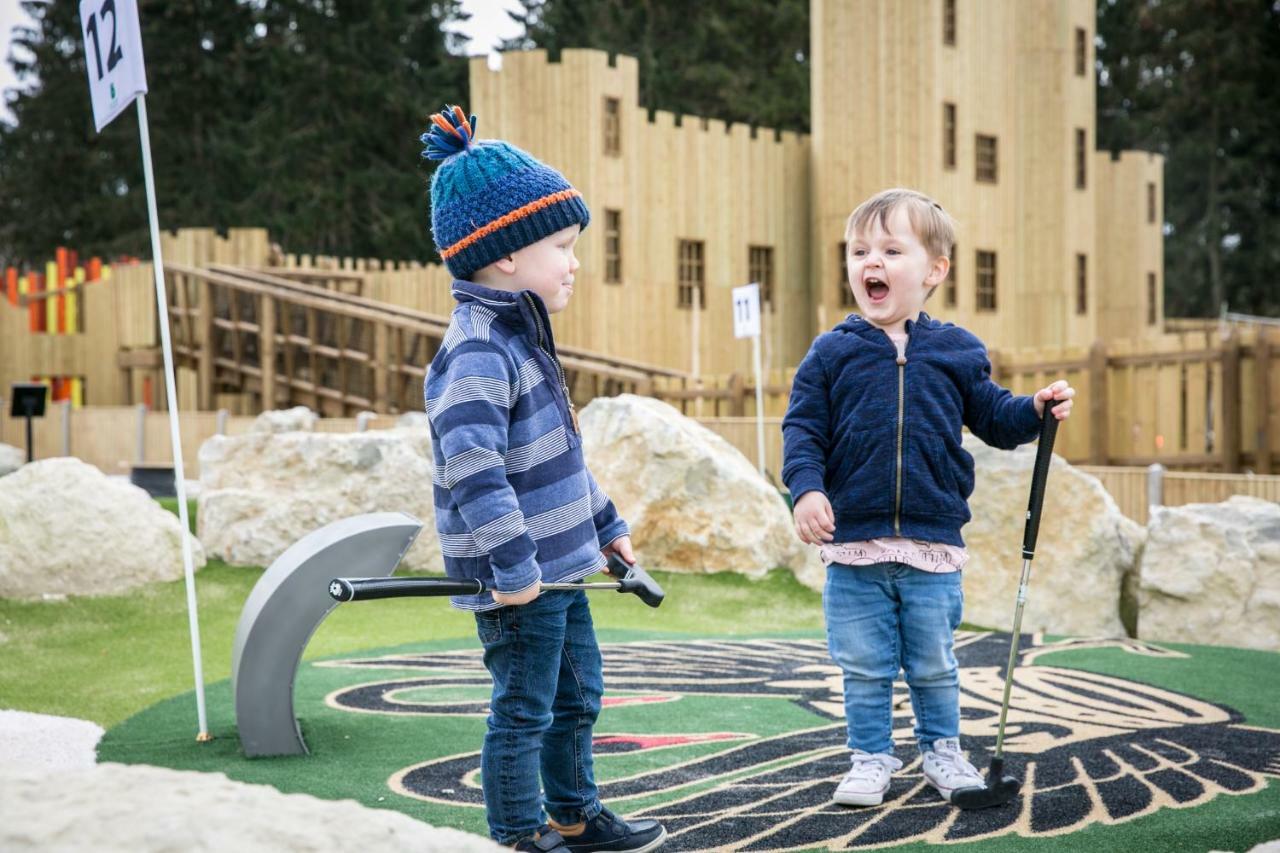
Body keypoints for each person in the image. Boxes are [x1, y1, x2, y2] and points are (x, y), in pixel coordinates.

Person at [421, 105, 667, 853]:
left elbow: (558, 458)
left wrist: (607, 526)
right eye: (561, 245)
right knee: (525, 708)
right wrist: (514, 567)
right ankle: (518, 832)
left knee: (576, 699)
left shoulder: (525, 339)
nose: (574, 261)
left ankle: (575, 814)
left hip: (563, 568)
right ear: (504, 255)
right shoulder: (476, 352)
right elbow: (474, 471)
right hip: (520, 580)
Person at [781, 188, 1075, 808]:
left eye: (891, 249)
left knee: (934, 663)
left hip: (931, 542)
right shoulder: (831, 353)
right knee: (862, 665)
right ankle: (870, 758)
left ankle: (943, 752)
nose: (871, 262)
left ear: (934, 270)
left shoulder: (956, 350)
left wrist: (1035, 409)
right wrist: (806, 490)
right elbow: (802, 430)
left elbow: (996, 417)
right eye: (859, 250)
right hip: (854, 544)